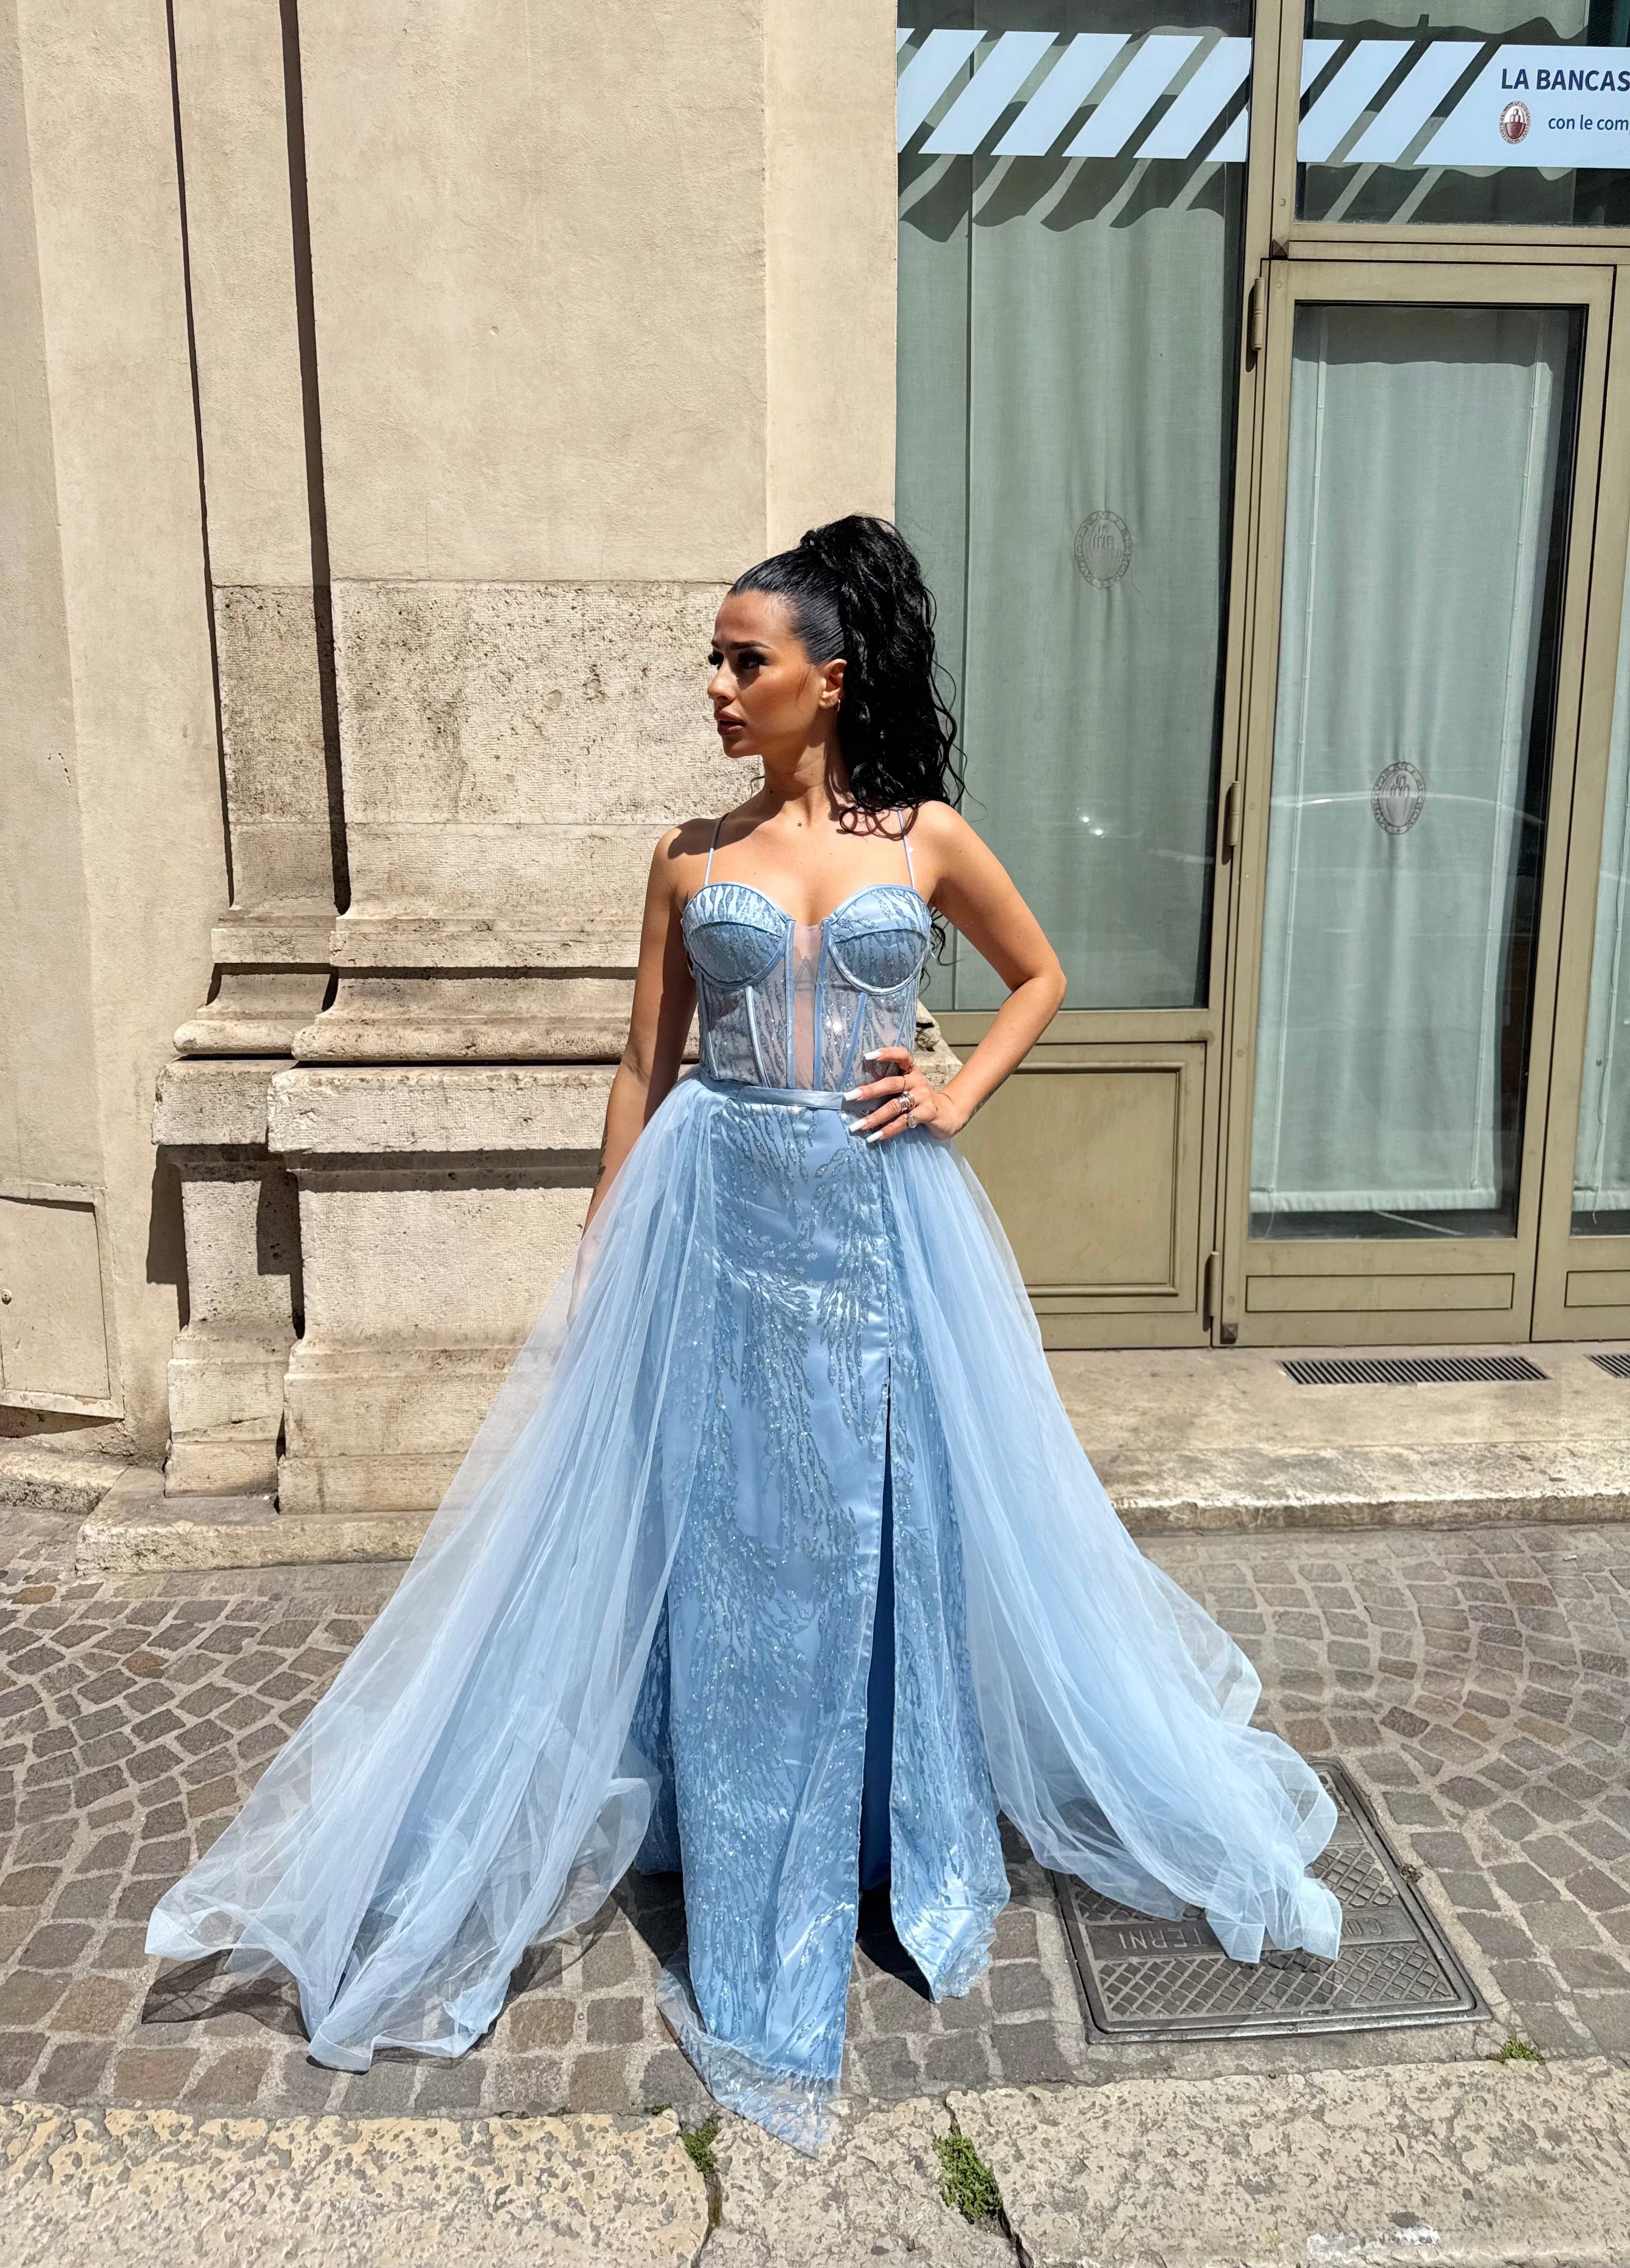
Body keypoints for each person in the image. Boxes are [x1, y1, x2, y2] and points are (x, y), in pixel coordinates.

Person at [148, 515, 1341, 2152]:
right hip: (717, 1214)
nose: (717, 684)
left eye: (744, 659)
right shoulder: (688, 858)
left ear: (825, 681)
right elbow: (646, 1065)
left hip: (881, 1218)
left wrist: (957, 1092)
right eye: (713, 660)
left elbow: (1042, 975)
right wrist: (601, 1241)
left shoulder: (923, 838)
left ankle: (895, 1828)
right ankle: (737, 1832)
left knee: (896, 1521)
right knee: (728, 1536)